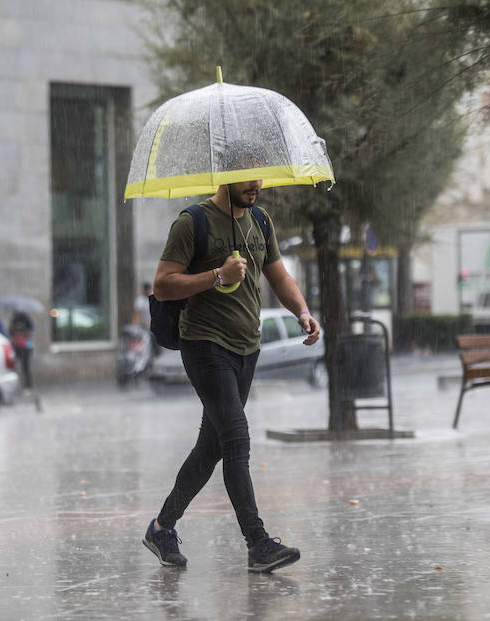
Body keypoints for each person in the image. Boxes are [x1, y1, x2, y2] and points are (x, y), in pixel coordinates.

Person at [142, 166, 321, 574]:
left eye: (260, 177)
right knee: (237, 439)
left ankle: (162, 527)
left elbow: (278, 274)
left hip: (248, 348)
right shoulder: (193, 223)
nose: (255, 185)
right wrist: (216, 275)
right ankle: (257, 543)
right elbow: (164, 284)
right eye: (247, 178)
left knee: (212, 448)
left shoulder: (261, 220)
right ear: (225, 176)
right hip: (205, 345)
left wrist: (303, 312)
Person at [9, 311, 35, 391]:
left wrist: (23, 332)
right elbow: (10, 331)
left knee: (25, 367)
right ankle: (20, 385)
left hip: (24, 346)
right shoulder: (14, 319)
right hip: (18, 346)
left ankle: (27, 386)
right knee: (16, 367)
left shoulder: (25, 319)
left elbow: (31, 330)